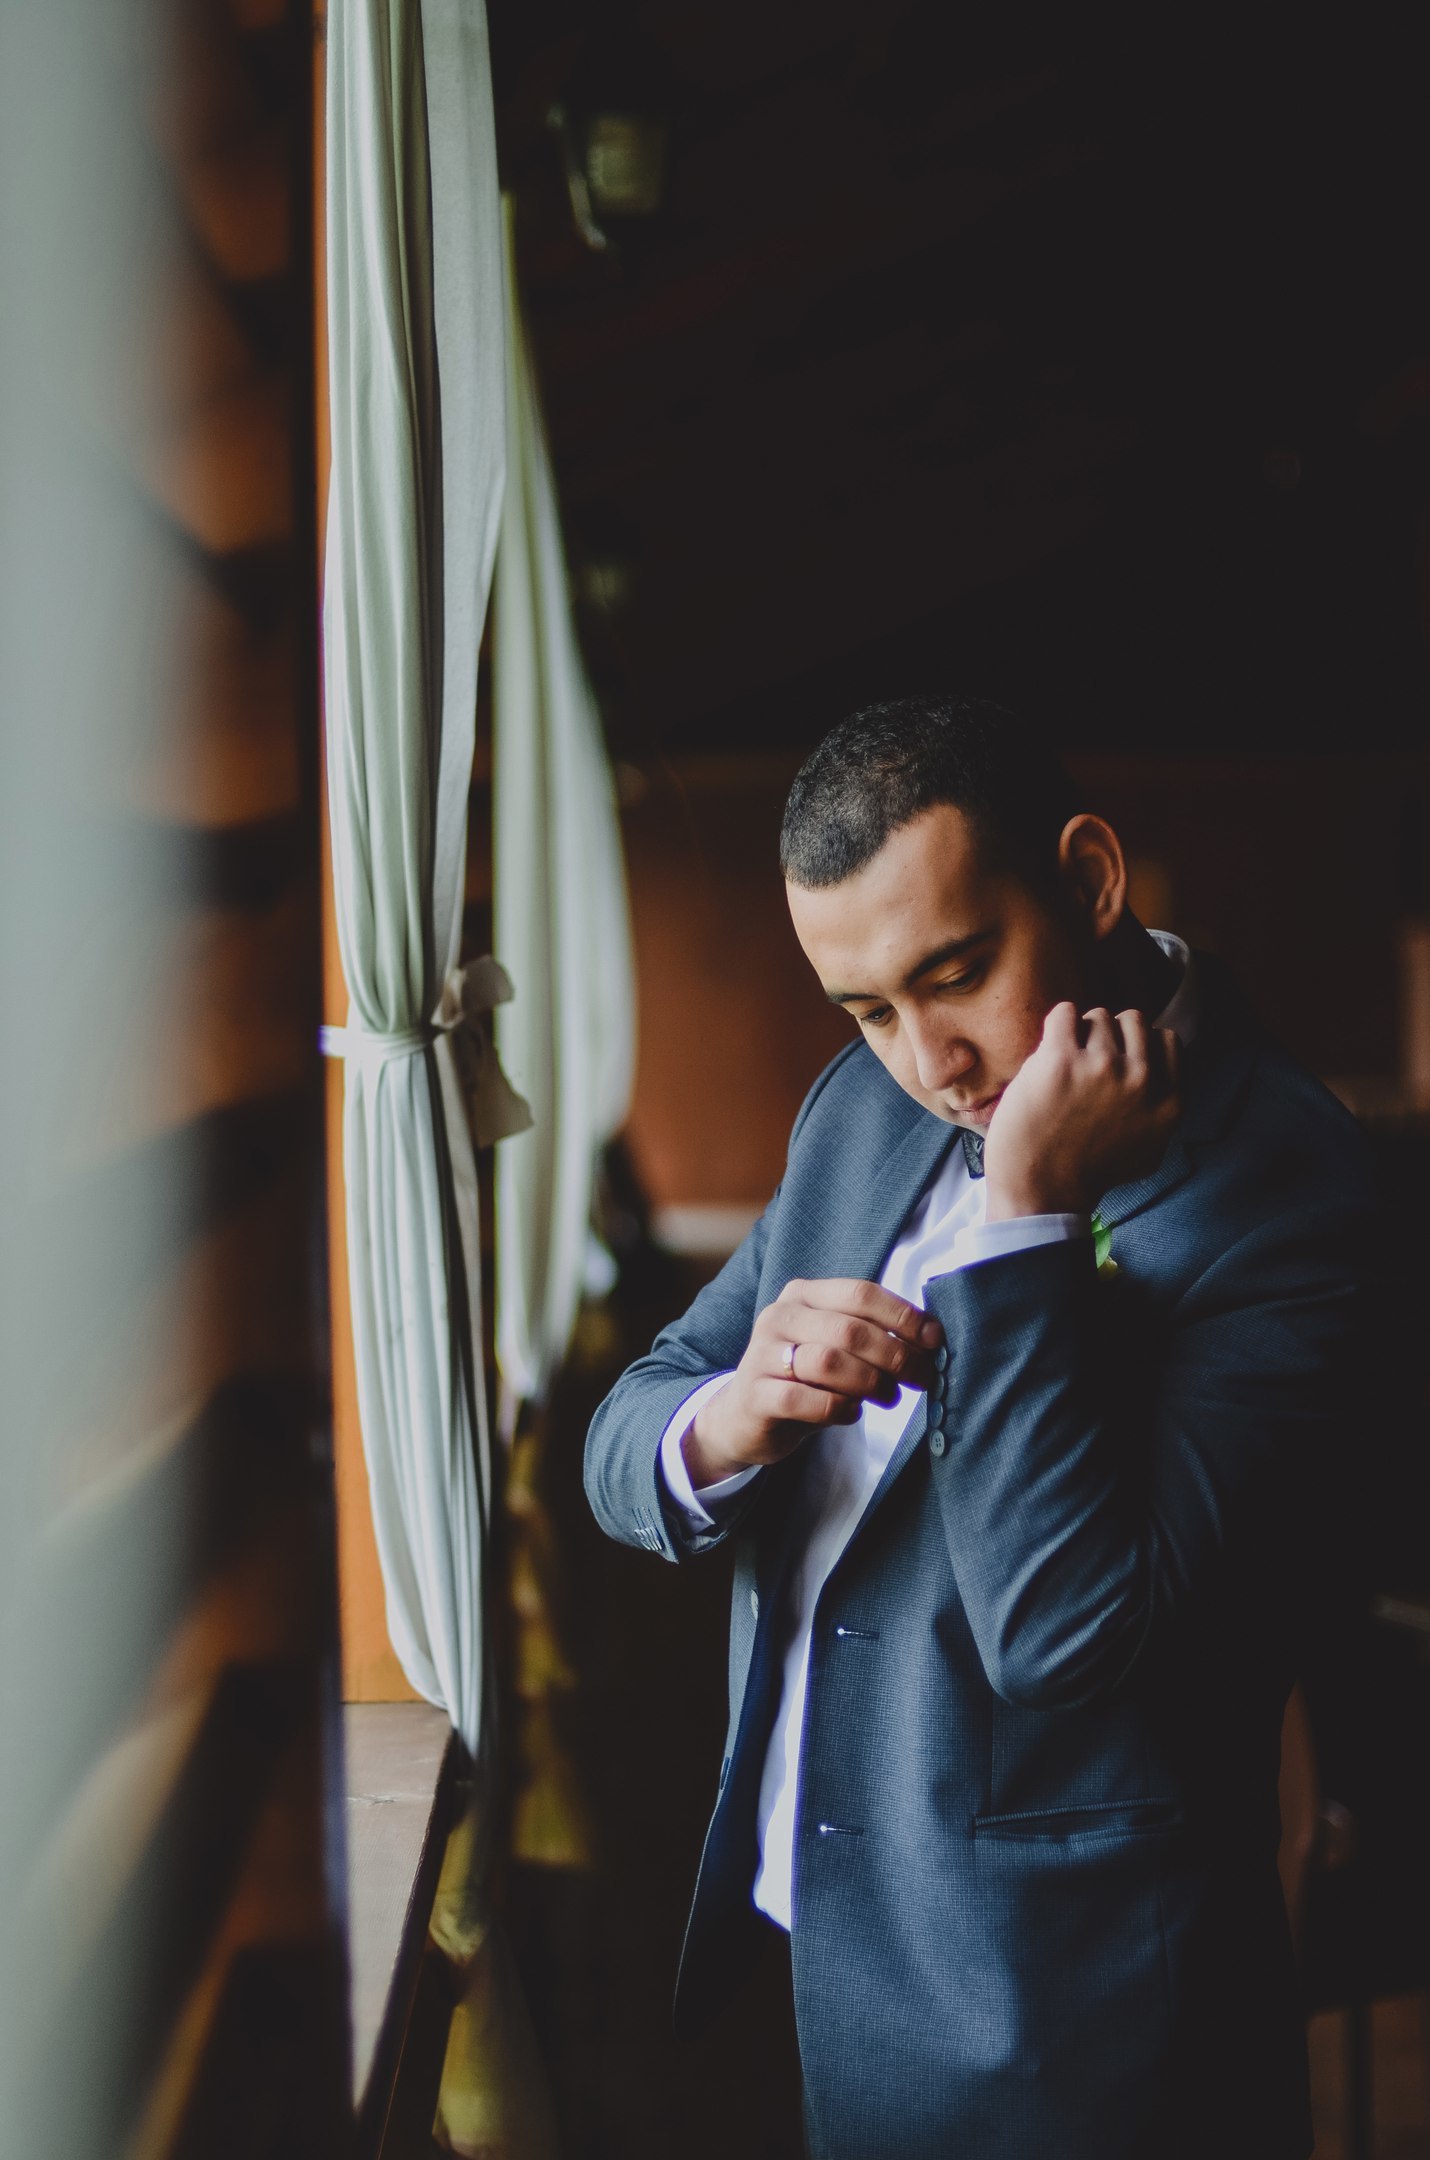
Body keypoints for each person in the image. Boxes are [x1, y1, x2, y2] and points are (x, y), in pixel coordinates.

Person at [584, 696, 1373, 2160]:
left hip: (1075, 2035)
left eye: (954, 974)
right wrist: (730, 1419)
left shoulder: (1289, 1197)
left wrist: (1025, 1222)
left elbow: (1062, 1639)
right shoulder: (861, 1110)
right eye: (868, 1010)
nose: (931, 1063)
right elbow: (625, 1435)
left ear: (1086, 879)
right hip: (821, 1951)